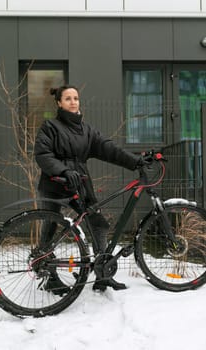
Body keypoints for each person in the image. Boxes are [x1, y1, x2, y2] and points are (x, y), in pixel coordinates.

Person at [35, 85, 144, 293]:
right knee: (51, 226)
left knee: (98, 224)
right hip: (55, 183)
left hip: (80, 183)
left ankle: (103, 276)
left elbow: (108, 149)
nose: (73, 102)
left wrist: (135, 162)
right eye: (68, 98)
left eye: (76, 98)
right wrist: (64, 170)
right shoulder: (50, 126)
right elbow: (43, 155)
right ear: (59, 103)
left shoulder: (86, 130)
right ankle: (49, 276)